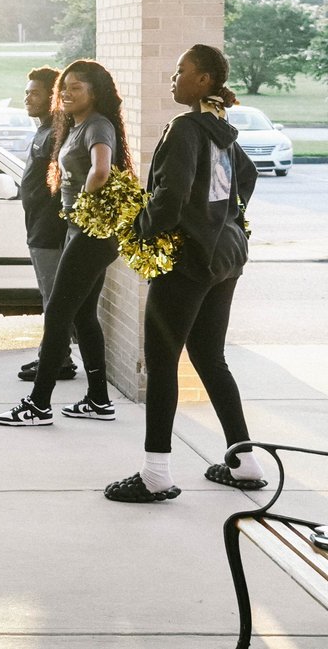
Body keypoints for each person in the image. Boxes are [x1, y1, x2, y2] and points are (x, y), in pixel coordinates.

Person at [105, 45, 262, 502]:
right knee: (210, 357)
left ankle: (155, 473)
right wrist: (224, 220)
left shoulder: (185, 127)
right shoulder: (221, 131)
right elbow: (246, 179)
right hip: (226, 257)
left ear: (204, 81)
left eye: (181, 72)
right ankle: (245, 462)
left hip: (188, 261)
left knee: (162, 361)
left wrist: (139, 227)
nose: (172, 79)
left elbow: (169, 199)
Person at [0, 60, 133, 427]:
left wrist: (85, 205)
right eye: (65, 87)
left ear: (95, 92)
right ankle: (99, 400)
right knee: (84, 316)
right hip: (81, 230)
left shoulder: (98, 125)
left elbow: (101, 169)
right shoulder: (75, 126)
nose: (67, 93)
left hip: (90, 233)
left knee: (58, 312)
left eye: (76, 87)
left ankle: (39, 405)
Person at [17, 67, 78, 382]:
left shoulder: (57, 132)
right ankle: (51, 355)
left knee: (53, 298)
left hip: (50, 231)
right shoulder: (44, 130)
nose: (27, 98)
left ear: (52, 97)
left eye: (35, 93)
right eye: (27, 92)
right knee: (50, 296)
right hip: (38, 228)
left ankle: (57, 360)